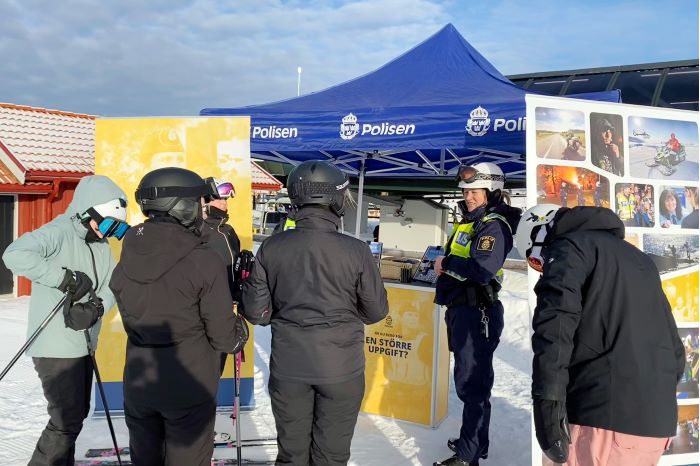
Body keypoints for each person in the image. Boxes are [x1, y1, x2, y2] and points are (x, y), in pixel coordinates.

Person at [241, 160, 388, 466]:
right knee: (330, 457)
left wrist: (279, 313)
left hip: (289, 367)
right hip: (341, 369)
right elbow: (375, 311)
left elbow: (256, 312)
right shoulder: (356, 250)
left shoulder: (272, 247)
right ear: (335, 199)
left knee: (292, 455)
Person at [514, 204, 685, 466]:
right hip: (654, 428)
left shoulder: (569, 247)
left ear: (541, 233)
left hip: (599, 421)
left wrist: (547, 405)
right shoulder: (640, 260)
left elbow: (555, 328)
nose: (540, 269)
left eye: (536, 260)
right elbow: (674, 348)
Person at [109, 167, 248, 466]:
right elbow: (224, 336)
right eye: (198, 203)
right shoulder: (203, 259)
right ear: (181, 206)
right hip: (188, 384)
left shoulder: (129, 253)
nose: (202, 209)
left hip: (139, 382)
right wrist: (241, 332)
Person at [2, 175, 128, 466]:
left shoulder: (101, 244)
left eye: (116, 227)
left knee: (74, 417)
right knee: (64, 422)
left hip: (82, 343)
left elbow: (110, 284)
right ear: (86, 211)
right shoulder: (59, 231)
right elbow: (14, 254)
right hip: (55, 346)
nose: (109, 232)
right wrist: (64, 278)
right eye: (108, 224)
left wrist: (97, 307)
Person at [432, 162, 521, 466]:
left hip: (477, 312)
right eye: (466, 191)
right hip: (462, 310)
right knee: (472, 382)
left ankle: (467, 455)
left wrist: (446, 265)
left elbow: (482, 269)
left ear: (492, 190)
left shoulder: (493, 224)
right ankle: (475, 443)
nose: (468, 196)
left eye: (474, 191)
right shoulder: (472, 221)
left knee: (473, 384)